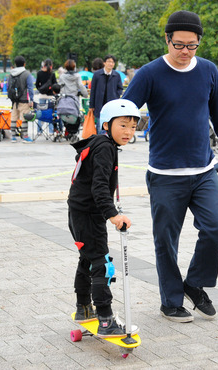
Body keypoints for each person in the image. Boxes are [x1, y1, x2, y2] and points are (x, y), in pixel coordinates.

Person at [122, 10, 218, 323]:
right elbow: (124, 111)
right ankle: (171, 300)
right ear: (167, 40)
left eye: (192, 46)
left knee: (217, 226)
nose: (185, 52)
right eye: (179, 45)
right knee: (165, 242)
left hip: (203, 170)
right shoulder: (149, 73)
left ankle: (195, 283)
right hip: (164, 175)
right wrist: (107, 147)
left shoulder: (209, 71)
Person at [67, 98, 140, 337]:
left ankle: (84, 309)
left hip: (79, 212)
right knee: (102, 264)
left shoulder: (100, 144)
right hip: (89, 214)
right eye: (123, 125)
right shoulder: (106, 148)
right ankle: (106, 320)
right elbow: (99, 187)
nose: (129, 132)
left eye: (133, 126)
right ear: (107, 125)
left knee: (87, 259)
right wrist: (113, 215)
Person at [90, 54, 123, 133]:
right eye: (109, 61)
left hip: (111, 105)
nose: (110, 64)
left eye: (112, 62)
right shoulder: (97, 74)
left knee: (111, 125)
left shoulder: (116, 75)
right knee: (100, 126)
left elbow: (120, 88)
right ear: (104, 63)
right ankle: (100, 143)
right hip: (99, 105)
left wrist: (115, 95)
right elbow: (93, 90)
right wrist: (91, 106)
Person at [7, 55, 35, 143]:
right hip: (23, 99)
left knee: (14, 117)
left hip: (14, 100)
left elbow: (8, 87)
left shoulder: (11, 74)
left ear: (15, 64)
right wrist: (31, 99)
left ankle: (13, 137)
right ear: (24, 64)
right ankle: (25, 136)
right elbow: (30, 88)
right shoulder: (27, 74)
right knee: (24, 118)